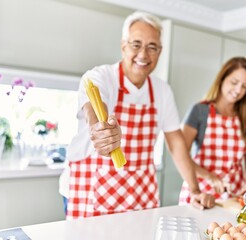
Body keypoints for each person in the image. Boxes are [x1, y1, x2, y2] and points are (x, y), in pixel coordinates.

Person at [59, 11, 216, 219]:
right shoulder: (100, 77)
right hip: (90, 190)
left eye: (152, 47)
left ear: (160, 52)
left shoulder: (162, 91)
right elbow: (94, 109)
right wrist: (101, 130)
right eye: (136, 44)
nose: (143, 54)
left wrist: (195, 190)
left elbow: (176, 144)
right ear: (123, 45)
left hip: (139, 194)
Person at [178, 57, 246, 205]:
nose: (238, 90)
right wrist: (210, 177)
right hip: (200, 195)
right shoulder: (199, 111)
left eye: (244, 86)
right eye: (234, 83)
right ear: (222, 79)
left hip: (233, 198)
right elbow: (181, 155)